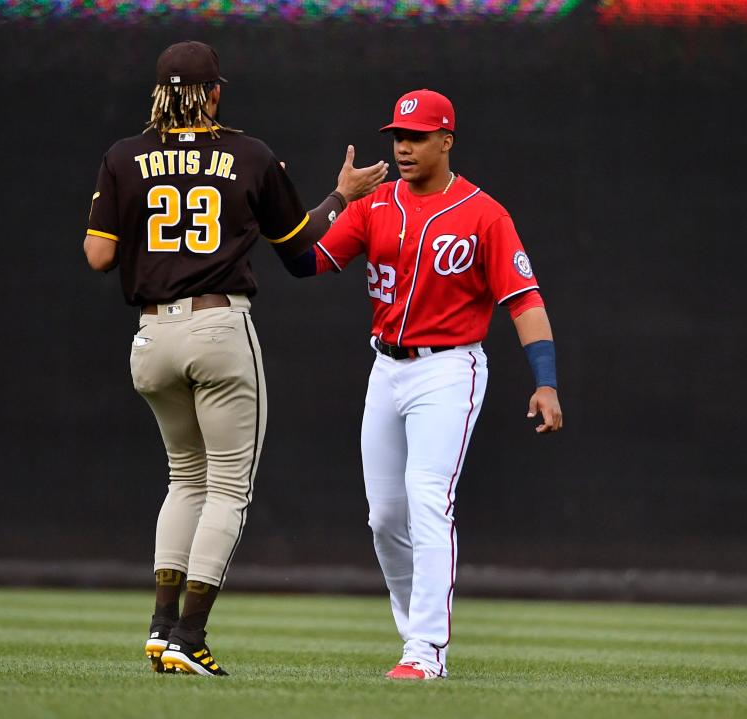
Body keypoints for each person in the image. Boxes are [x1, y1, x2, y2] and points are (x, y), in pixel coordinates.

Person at [82, 41, 388, 677]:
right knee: (226, 487)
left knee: (182, 478)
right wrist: (341, 197)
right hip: (218, 327)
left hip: (151, 337)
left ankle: (162, 628)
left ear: (159, 93)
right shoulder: (249, 154)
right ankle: (189, 637)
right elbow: (301, 249)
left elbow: (98, 255)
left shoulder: (122, 156)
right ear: (215, 93)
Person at [286, 89, 563, 680]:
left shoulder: (484, 213)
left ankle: (426, 652)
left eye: (416, 136)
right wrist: (334, 198)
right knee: (385, 515)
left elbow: (525, 301)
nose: (404, 147)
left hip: (448, 367)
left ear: (446, 140)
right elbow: (303, 261)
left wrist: (547, 382)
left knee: (427, 497)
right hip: (385, 367)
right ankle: (415, 636)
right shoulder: (373, 204)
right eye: (397, 137)